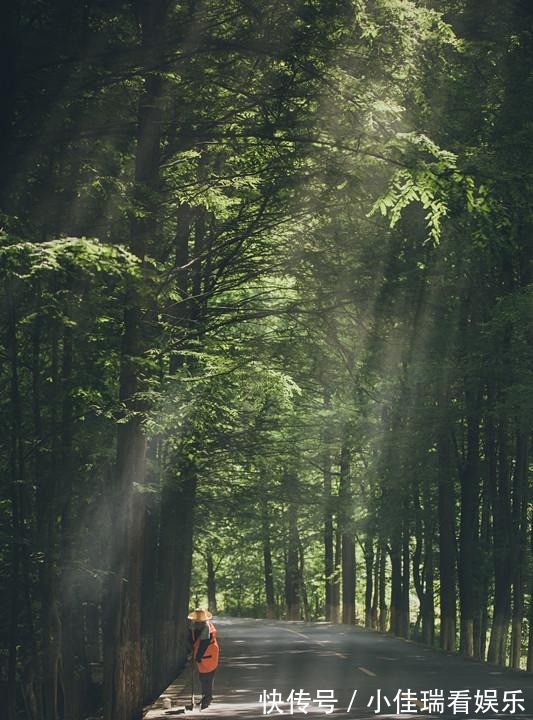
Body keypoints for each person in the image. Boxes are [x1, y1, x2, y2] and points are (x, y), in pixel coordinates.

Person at [187, 608, 219, 710]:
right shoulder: (194, 626)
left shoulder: (206, 628)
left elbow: (204, 644)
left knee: (208, 677)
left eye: (199, 622)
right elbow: (192, 639)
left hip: (209, 654)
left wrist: (198, 657)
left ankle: (207, 698)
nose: (197, 623)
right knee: (202, 677)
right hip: (201, 655)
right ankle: (205, 696)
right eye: (196, 621)